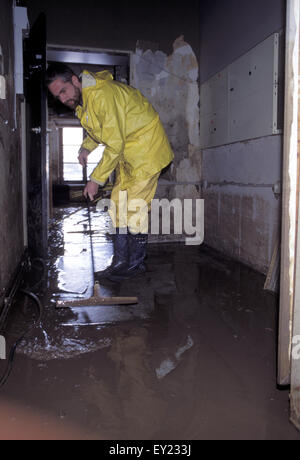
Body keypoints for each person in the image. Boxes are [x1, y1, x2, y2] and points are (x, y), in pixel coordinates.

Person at [46, 63, 174, 282]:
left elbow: (114, 141)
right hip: (129, 155)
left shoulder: (102, 95)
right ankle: (120, 263)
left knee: (133, 210)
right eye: (58, 96)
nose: (62, 99)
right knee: (117, 207)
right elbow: (101, 131)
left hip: (146, 151)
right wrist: (87, 146)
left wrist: (96, 179)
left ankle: (134, 265)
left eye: (63, 91)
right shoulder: (82, 103)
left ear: (75, 81)